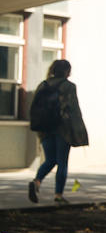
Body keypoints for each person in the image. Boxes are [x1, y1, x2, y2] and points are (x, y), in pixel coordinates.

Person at [28, 59, 88, 204]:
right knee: (62, 162)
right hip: (63, 129)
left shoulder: (43, 85)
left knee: (50, 160)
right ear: (67, 71)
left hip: (45, 129)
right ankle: (58, 195)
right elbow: (74, 110)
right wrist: (80, 132)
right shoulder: (69, 87)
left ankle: (37, 181)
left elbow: (34, 108)